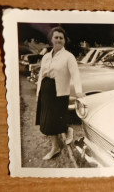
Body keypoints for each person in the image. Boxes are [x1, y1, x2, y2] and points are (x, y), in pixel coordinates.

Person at [36, 26, 84, 160]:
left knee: (54, 121)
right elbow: (41, 75)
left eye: (61, 38)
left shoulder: (69, 57)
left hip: (59, 92)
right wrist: (38, 92)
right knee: (46, 121)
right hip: (46, 89)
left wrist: (79, 91)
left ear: (65, 40)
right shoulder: (46, 56)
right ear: (51, 39)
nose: (58, 40)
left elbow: (76, 75)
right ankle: (56, 145)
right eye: (56, 37)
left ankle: (66, 131)